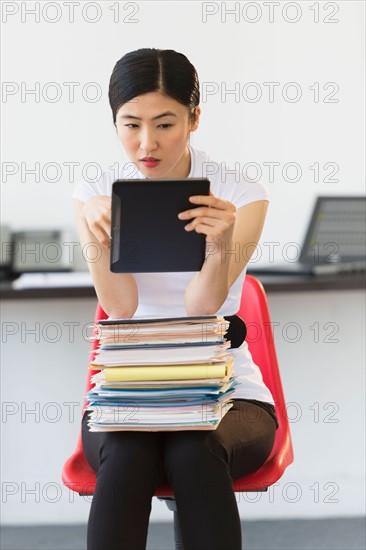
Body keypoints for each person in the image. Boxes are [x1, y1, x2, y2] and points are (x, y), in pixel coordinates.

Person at [72, 48, 278, 550]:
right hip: (129, 390)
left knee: (194, 450)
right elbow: (120, 310)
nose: (147, 143)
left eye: (166, 124)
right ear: (114, 123)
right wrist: (94, 231)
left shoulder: (241, 194)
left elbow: (201, 307)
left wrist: (219, 243)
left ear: (194, 118)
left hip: (225, 388)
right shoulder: (95, 191)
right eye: (131, 124)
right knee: (126, 455)